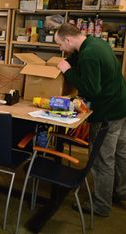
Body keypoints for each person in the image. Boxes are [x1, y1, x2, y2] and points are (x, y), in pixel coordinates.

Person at [54, 23, 126, 217]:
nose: (60, 49)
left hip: (107, 114)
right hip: (120, 106)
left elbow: (91, 90)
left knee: (102, 160)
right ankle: (120, 192)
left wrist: (68, 71)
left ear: (68, 40)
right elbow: (78, 58)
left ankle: (101, 205)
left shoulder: (89, 55)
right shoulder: (93, 43)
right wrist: (70, 61)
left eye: (60, 45)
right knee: (120, 154)